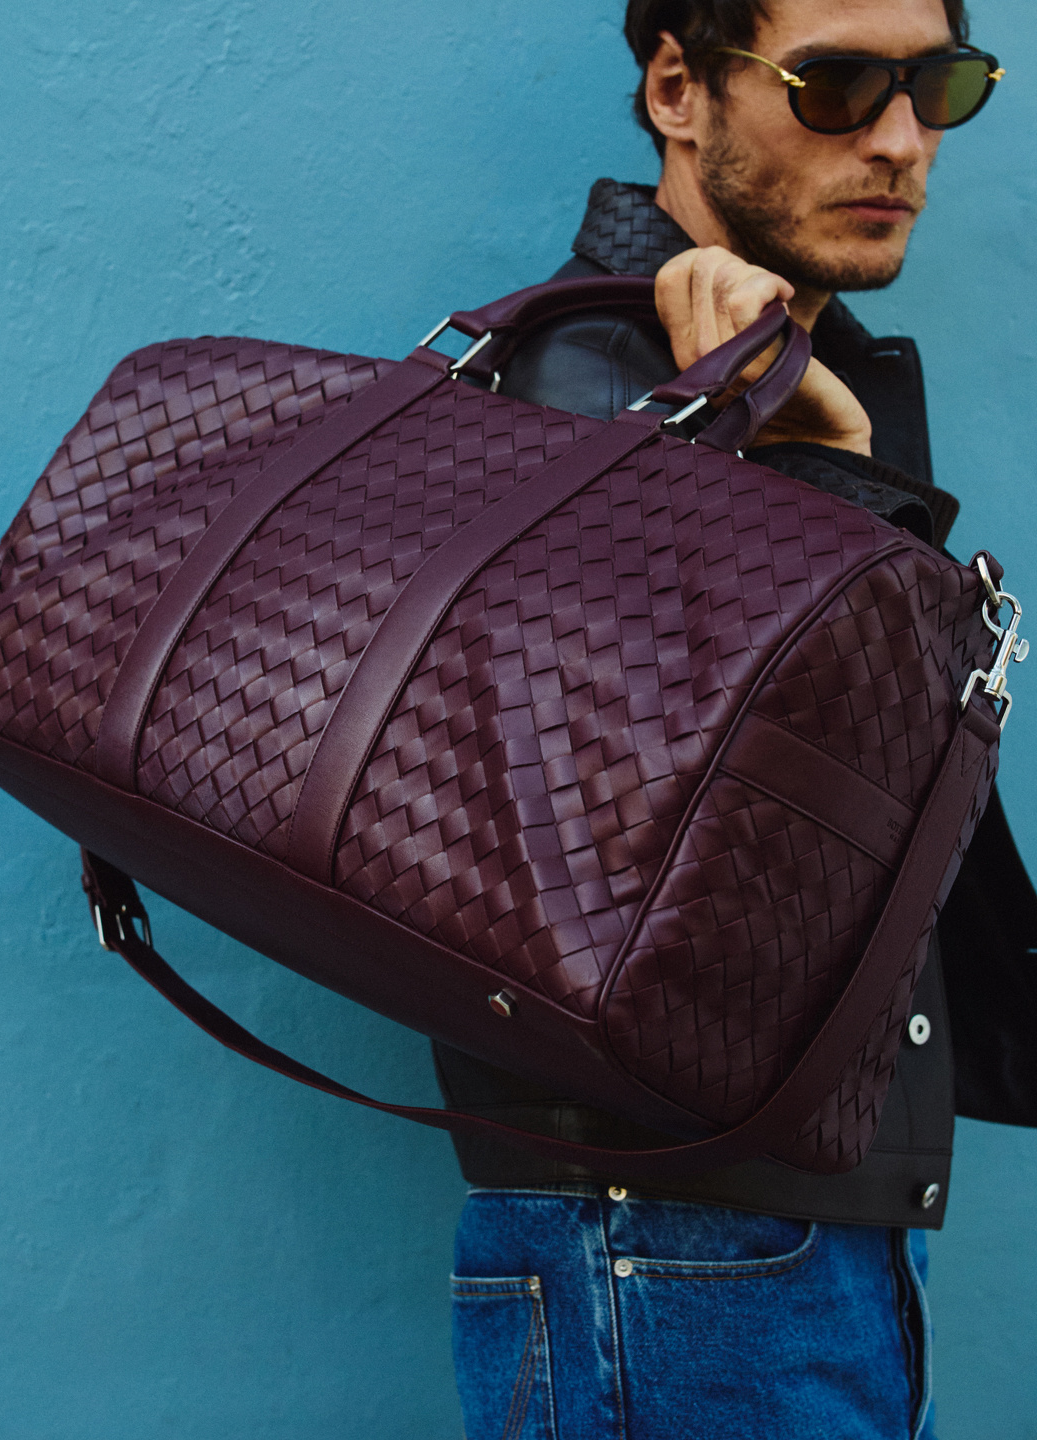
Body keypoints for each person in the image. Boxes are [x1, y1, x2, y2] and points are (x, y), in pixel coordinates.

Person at [437, 3, 1037, 1436]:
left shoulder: (800, 380)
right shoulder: (593, 392)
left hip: (770, 1243)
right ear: (676, 90)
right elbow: (659, 870)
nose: (901, 140)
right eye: (838, 83)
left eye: (939, 86)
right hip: (677, 1248)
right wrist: (830, 475)